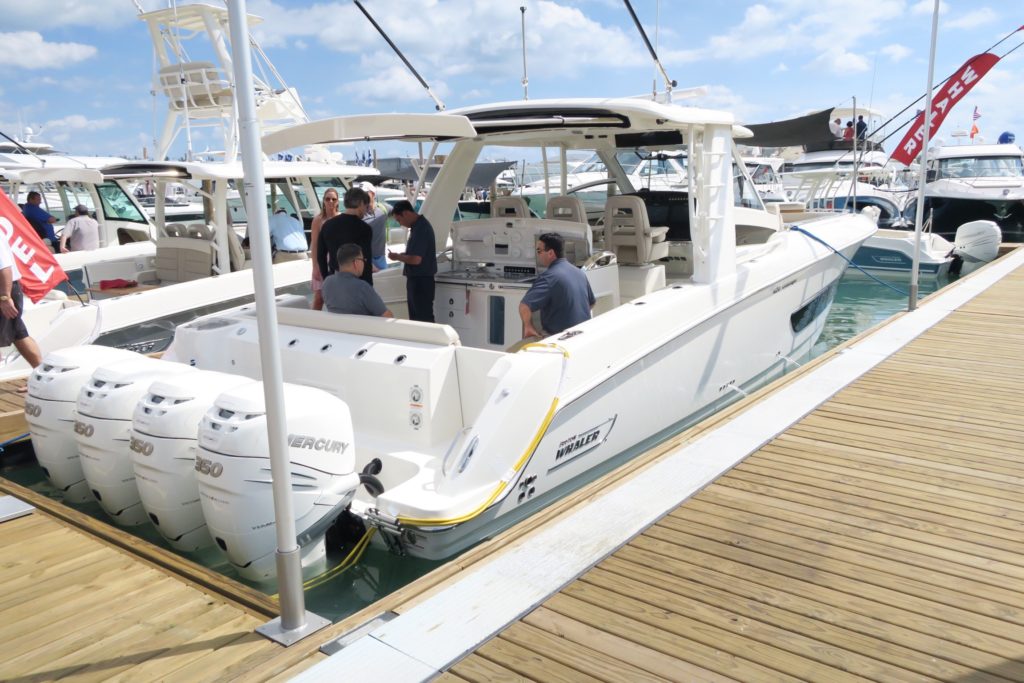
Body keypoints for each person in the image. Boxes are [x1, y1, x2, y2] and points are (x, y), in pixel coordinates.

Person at [519, 232, 595, 339]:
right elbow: (591, 303)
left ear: (550, 253)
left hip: (560, 338)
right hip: (582, 335)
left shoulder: (548, 278)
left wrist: (528, 327)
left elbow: (524, 306)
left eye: (539, 251)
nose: (538, 254)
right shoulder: (579, 273)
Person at [387, 200, 437, 323]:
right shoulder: (418, 227)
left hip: (421, 281)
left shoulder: (421, 229)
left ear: (405, 213)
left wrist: (398, 257)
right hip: (420, 280)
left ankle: (427, 342)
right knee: (419, 318)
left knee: (422, 319)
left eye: (399, 220)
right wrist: (402, 256)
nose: (400, 224)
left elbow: (416, 259)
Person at [0, 236, 43, 370]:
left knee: (19, 335)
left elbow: (5, 268)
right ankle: (40, 374)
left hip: (4, 291)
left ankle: (40, 374)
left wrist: (5, 298)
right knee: (19, 335)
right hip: (6, 291)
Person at [317, 186, 374, 286]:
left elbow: (321, 256)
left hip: (334, 279)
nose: (366, 211)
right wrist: (368, 286)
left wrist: (327, 279)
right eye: (366, 206)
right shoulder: (364, 229)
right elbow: (365, 260)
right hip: (357, 283)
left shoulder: (327, 225)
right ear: (360, 203)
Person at [321, 243, 392, 317]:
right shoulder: (362, 287)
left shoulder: (327, 283)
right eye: (363, 260)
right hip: (363, 328)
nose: (364, 263)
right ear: (356, 262)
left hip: (337, 327)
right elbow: (387, 316)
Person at [310, 187, 340, 310]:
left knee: (337, 296)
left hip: (338, 260)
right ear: (323, 201)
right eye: (328, 199)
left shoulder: (341, 218)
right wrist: (315, 267)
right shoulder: (318, 220)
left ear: (338, 201)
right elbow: (315, 245)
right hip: (322, 260)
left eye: (334, 199)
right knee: (319, 298)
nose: (331, 202)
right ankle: (312, 325)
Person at [358, 181, 389, 271]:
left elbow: (400, 214)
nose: (362, 197)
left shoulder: (384, 209)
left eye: (364, 193)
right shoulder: (358, 214)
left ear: (373, 194)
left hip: (381, 258)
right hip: (364, 259)